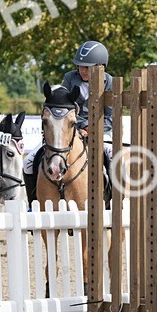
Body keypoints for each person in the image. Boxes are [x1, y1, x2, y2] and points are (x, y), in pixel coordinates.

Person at [24, 40, 117, 201]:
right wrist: (81, 125)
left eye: (86, 67)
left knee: (112, 158)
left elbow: (110, 116)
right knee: (28, 162)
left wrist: (93, 129)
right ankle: (33, 204)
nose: (82, 70)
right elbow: (64, 107)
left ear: (100, 66)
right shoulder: (69, 78)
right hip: (69, 129)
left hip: (102, 131)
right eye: (80, 66)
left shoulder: (109, 82)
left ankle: (114, 200)